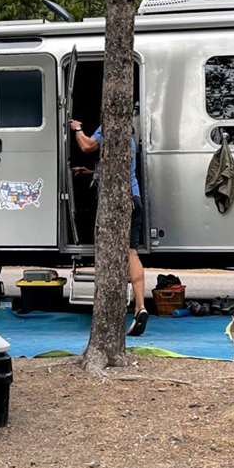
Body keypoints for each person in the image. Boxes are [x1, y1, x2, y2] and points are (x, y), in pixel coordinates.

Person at [68, 117, 148, 336]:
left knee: (110, 254)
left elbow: (86, 146)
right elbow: (117, 170)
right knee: (131, 253)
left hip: (117, 203)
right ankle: (140, 306)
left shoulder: (108, 129)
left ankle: (110, 310)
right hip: (134, 198)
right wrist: (91, 173)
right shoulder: (128, 137)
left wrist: (78, 128)